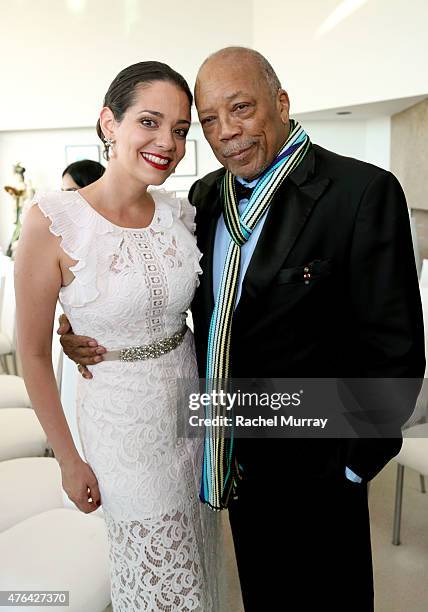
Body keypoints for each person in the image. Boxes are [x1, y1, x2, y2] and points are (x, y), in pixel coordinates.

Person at [59, 47, 425, 611]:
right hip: (234, 457)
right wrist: (82, 321)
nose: (226, 131)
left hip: (320, 467)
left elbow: (394, 349)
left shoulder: (360, 192)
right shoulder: (204, 198)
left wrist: (352, 464)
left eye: (242, 108)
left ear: (280, 103)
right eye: (208, 119)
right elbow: (163, 295)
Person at [15, 61, 220, 612]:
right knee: (157, 579)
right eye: (149, 122)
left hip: (189, 410)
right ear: (110, 123)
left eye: (179, 130)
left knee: (196, 557)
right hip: (120, 428)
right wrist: (67, 459)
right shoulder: (53, 221)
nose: (167, 143)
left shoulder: (182, 214)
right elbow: (31, 354)